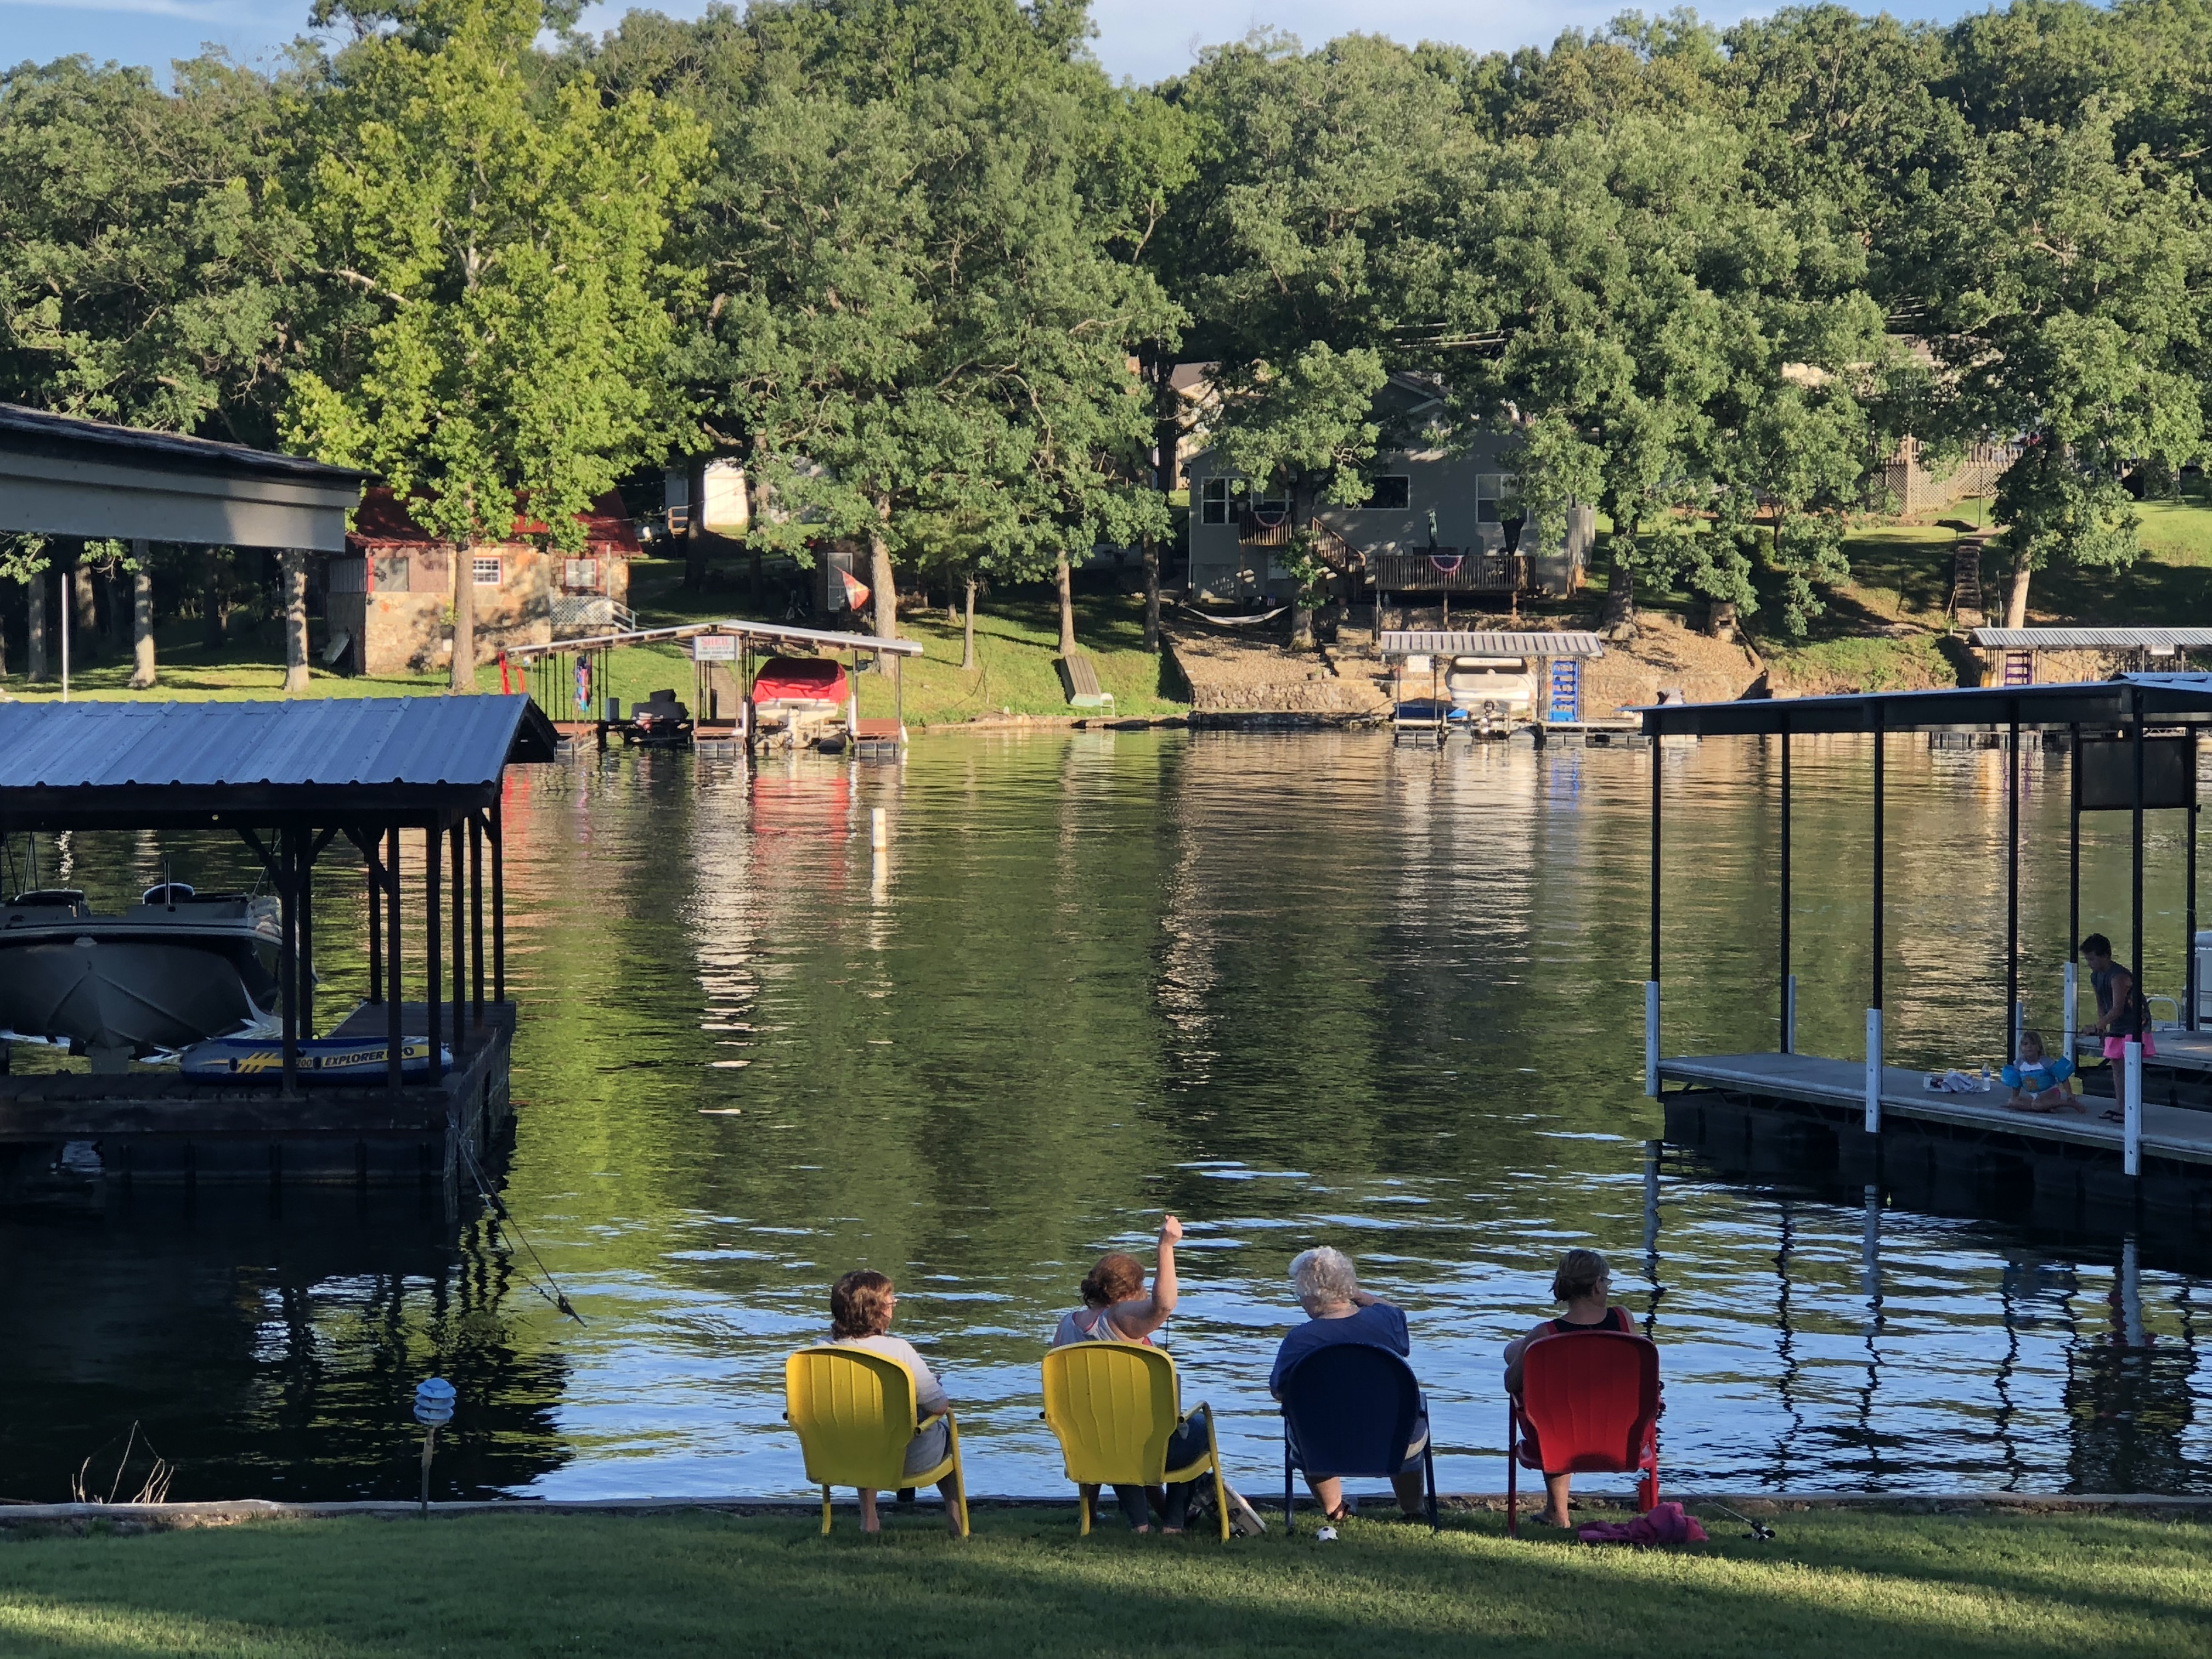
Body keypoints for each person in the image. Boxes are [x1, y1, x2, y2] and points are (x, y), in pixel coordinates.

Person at [1051, 1215, 1206, 1533]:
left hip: (1089, 1442)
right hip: (1140, 1444)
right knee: (1198, 1426)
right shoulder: (1120, 1318)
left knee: (1116, 1428)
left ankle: (1139, 1523)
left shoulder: (1066, 1326)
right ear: (1129, 1292)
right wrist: (1166, 1247)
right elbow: (1163, 1306)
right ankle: (1174, 1523)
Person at [1268, 1246, 1429, 1522]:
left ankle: (1335, 1510)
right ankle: (1413, 1510)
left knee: (1305, 1421)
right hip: (1394, 1440)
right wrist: (1357, 1293)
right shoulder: (1386, 1322)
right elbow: (1396, 1312)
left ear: (1313, 1296)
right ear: (1348, 1288)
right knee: (1410, 1415)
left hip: (1322, 1443)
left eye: (1300, 1295)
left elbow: (1280, 1392)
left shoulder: (1299, 1340)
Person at [1502, 1249, 1636, 1528]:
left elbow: (1511, 1384)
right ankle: (1556, 1511)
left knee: (1553, 1411)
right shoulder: (1624, 1322)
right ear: (1598, 1285)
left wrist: (1520, 1352)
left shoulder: (1545, 1336)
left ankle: (1558, 1513)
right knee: (1570, 1406)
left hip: (1558, 1438)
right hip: (1620, 1435)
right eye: (1607, 1283)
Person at [826, 1269, 964, 1536]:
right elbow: (939, 1406)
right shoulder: (898, 1351)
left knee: (862, 1427)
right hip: (904, 1460)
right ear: (876, 1311)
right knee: (946, 1435)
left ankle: (869, 1520)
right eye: (890, 1301)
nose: (894, 1306)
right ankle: (957, 1521)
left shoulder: (818, 1350)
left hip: (841, 1456)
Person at [2081, 933, 2155, 1062]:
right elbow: (2101, 1005)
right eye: (2087, 959)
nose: (2089, 963)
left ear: (2105, 956)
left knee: (2132, 1063)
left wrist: (2096, 1026)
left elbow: (2118, 1009)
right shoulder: (2095, 977)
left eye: (2092, 959)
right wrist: (2102, 1029)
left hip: (2136, 1026)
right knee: (2115, 1061)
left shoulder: (2118, 977)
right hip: (2117, 1025)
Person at [2002, 1029, 2079, 1113]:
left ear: (2039, 1047)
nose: (2029, 1047)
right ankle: (2046, 1108)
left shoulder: (2045, 1062)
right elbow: (2016, 1083)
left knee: (2037, 1104)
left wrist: (2069, 1094)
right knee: (2012, 1102)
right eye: (2025, 1044)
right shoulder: (2019, 1063)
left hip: (2050, 1092)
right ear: (2021, 1047)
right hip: (2033, 1095)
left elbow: (2063, 1076)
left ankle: (2067, 1104)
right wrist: (2015, 1098)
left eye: (2033, 1044)